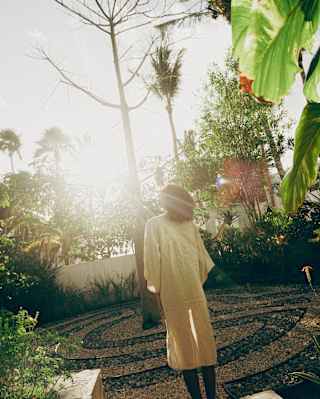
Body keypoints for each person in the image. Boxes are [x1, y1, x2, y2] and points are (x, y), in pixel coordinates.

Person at [144, 184, 217, 399]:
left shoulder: (160, 225)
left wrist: (157, 294)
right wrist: (194, 281)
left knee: (187, 345)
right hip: (193, 291)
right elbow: (202, 262)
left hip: (174, 294)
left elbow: (152, 264)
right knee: (203, 340)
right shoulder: (161, 224)